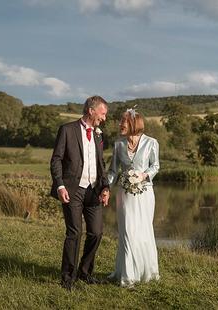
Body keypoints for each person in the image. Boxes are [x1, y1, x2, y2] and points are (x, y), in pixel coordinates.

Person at [50, 95, 110, 291]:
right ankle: (68, 278)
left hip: (94, 190)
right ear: (91, 111)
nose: (104, 118)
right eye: (102, 113)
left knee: (96, 232)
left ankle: (85, 272)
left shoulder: (99, 134)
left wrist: (106, 187)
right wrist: (59, 186)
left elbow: (101, 164)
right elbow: (56, 160)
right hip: (72, 189)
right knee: (74, 233)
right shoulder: (67, 130)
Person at [107, 108, 160, 287]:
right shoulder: (118, 144)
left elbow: (156, 166)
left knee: (143, 231)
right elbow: (113, 171)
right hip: (124, 195)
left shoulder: (152, 143)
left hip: (145, 194)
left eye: (123, 121)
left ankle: (147, 271)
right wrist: (106, 187)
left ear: (133, 124)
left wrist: (143, 176)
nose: (120, 124)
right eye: (120, 121)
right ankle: (127, 275)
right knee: (128, 231)